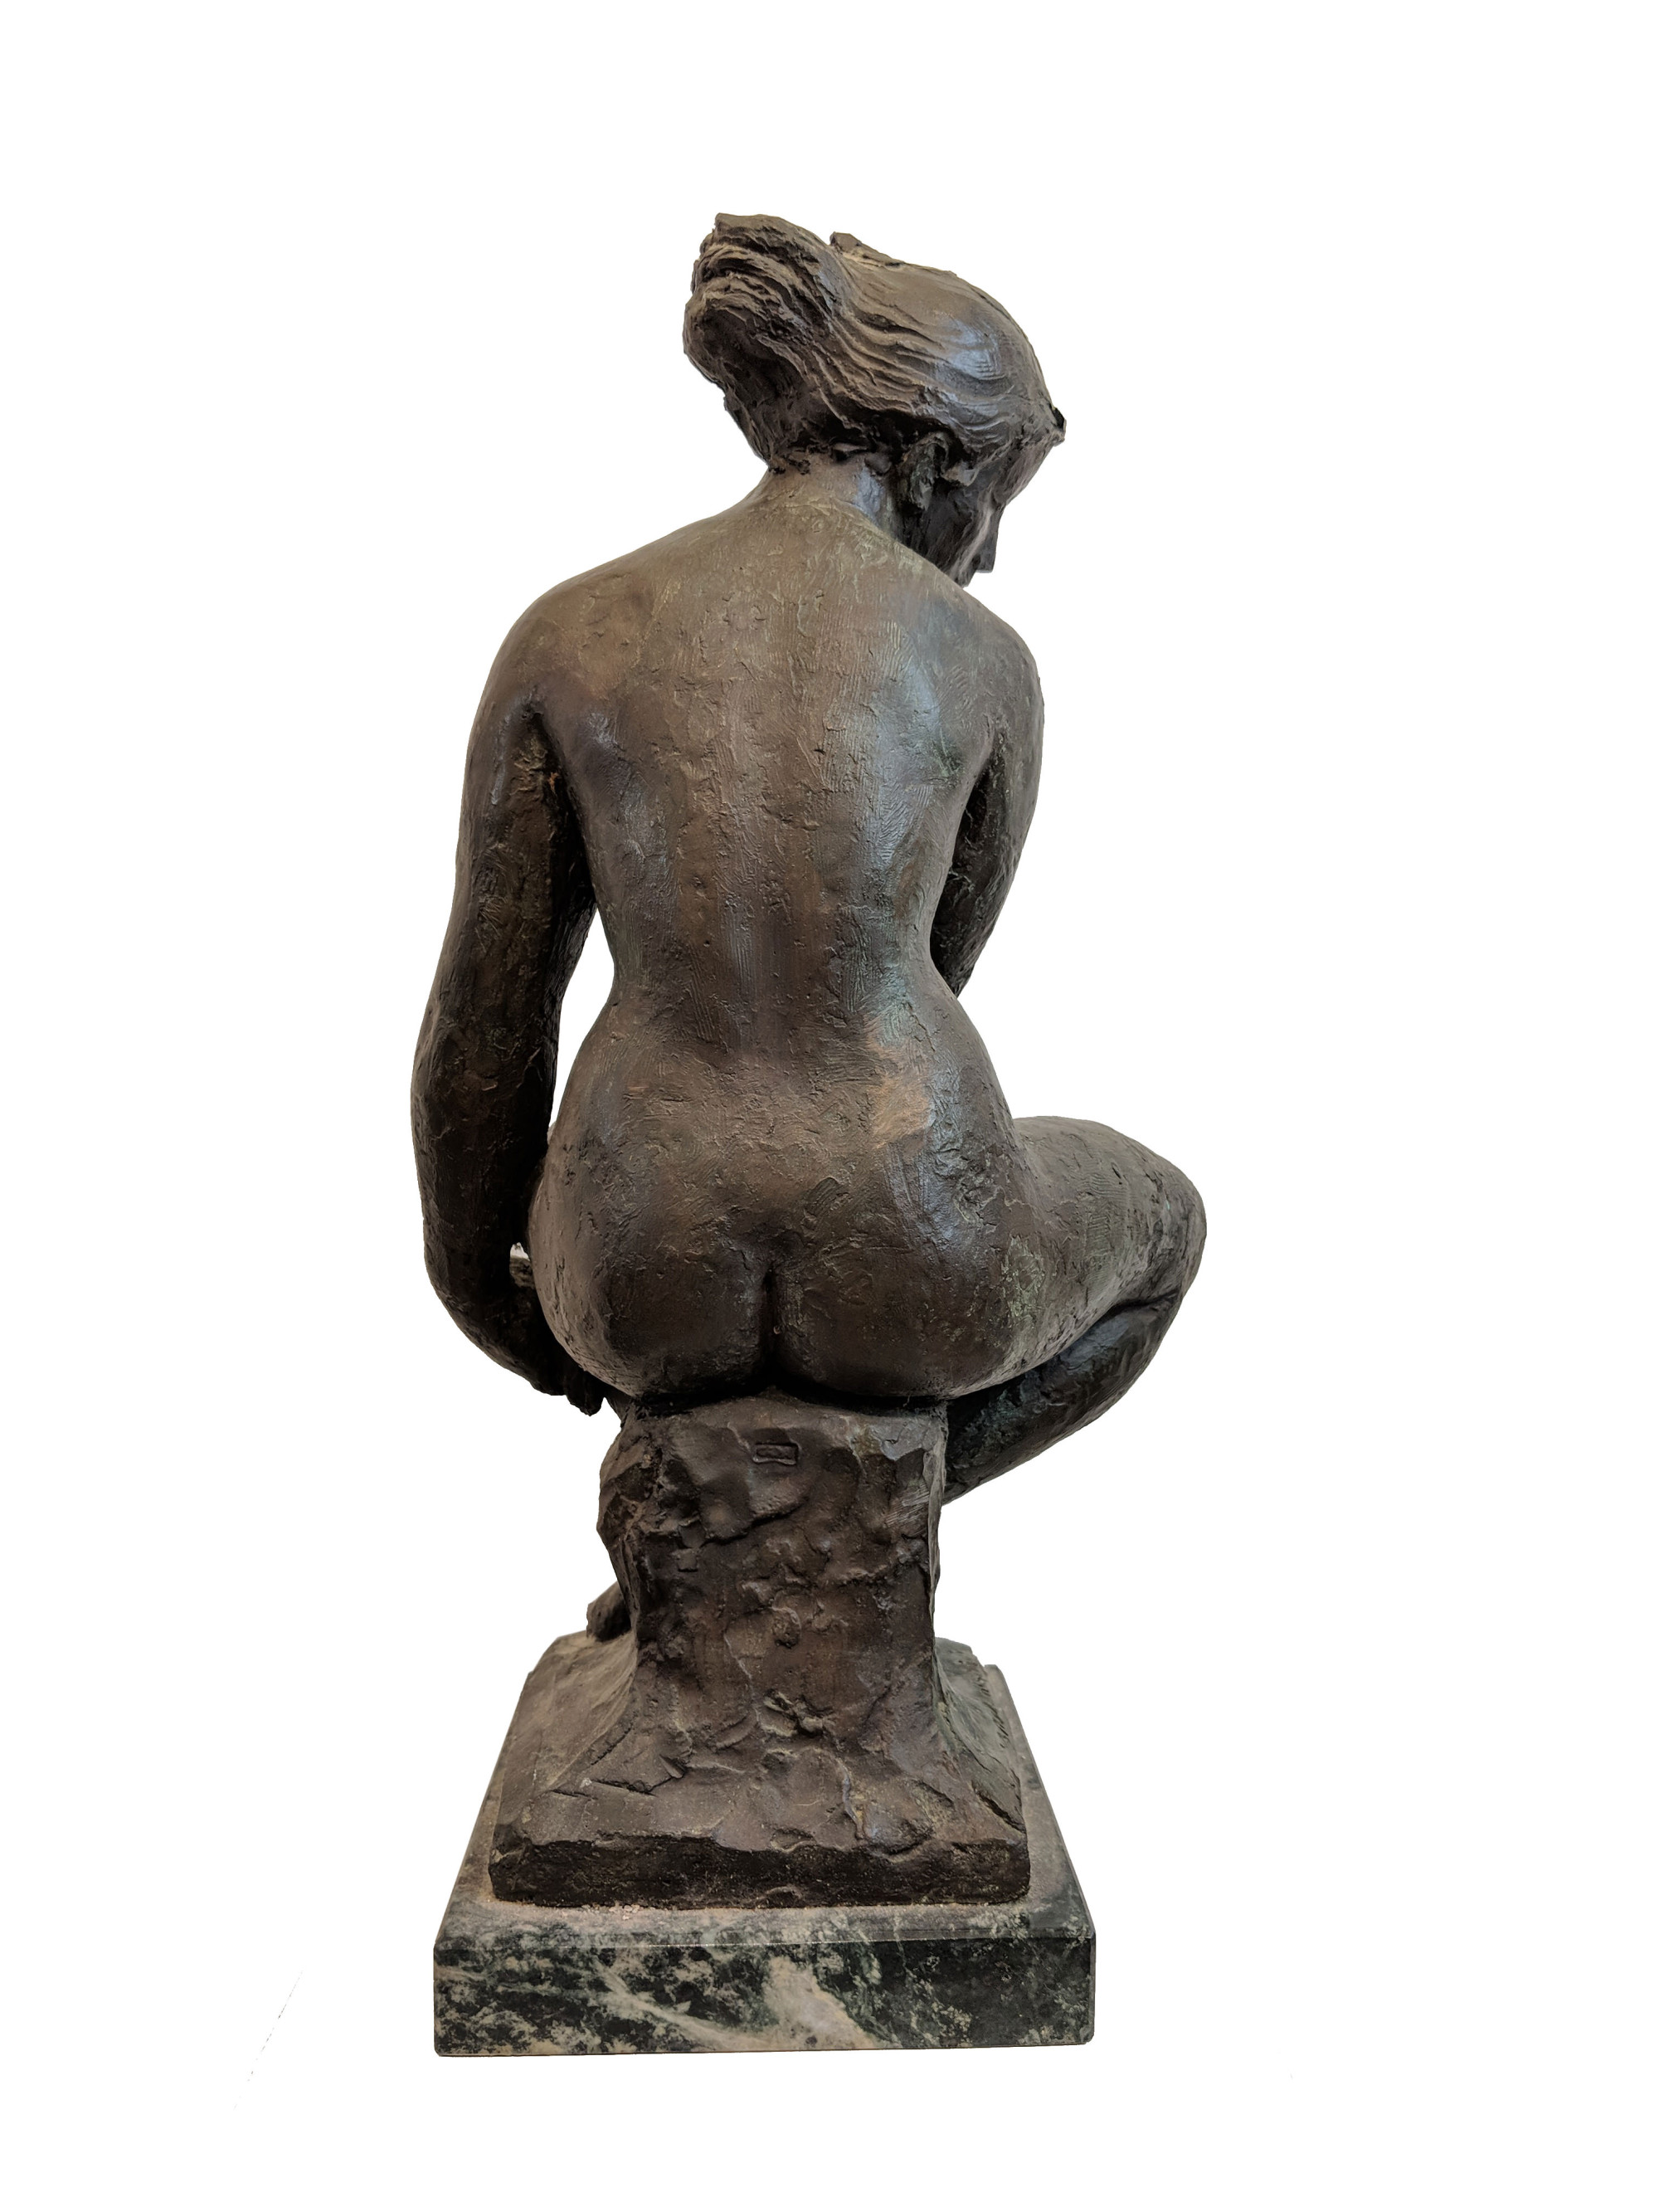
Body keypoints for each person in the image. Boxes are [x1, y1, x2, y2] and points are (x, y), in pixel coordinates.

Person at [412, 215, 1204, 1497]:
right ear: (934, 462)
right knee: (1167, 1226)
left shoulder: (570, 630)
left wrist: (475, 1282)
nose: (990, 552)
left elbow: (486, 1024)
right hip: (912, 1238)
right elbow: (933, 963)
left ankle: (727, 1522)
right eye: (995, 502)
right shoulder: (983, 661)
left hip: (637, 1247)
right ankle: (864, 1507)